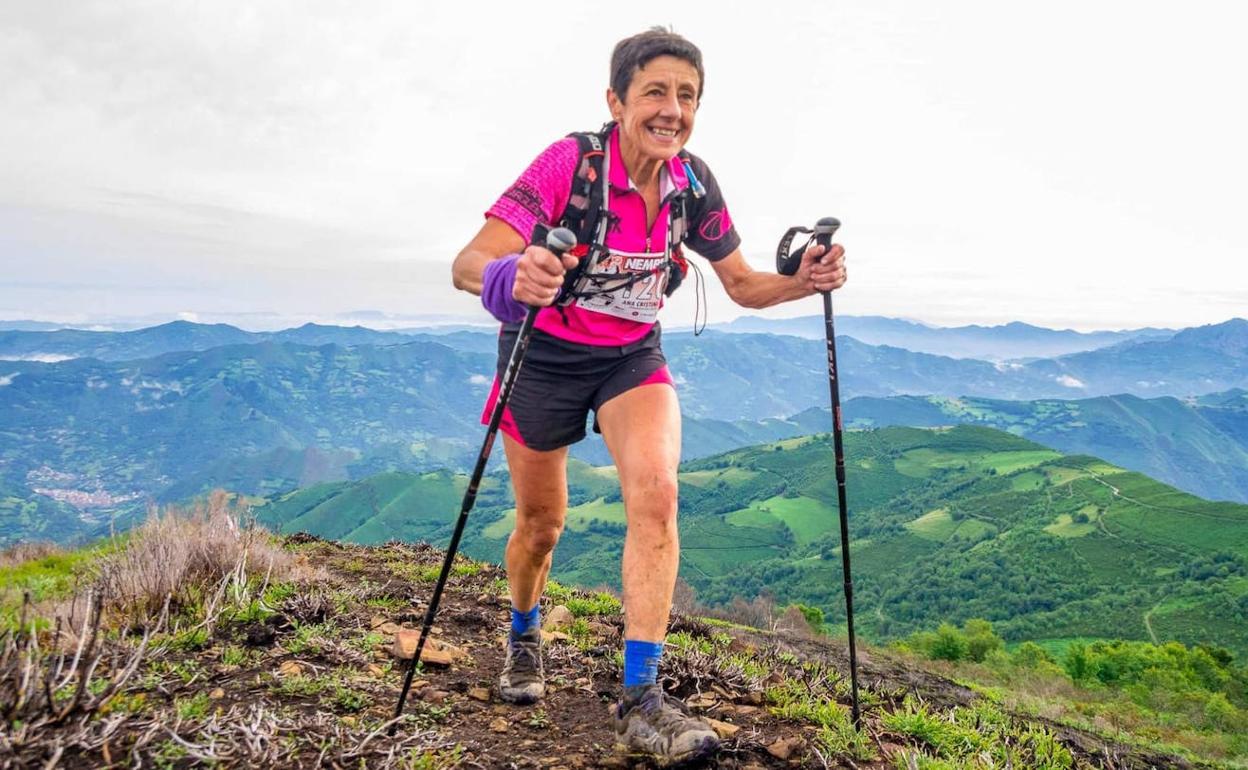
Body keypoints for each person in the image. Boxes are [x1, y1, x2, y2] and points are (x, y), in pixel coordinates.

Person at [451, 27, 847, 766]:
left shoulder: (692, 183)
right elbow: (469, 264)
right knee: (542, 527)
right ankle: (524, 630)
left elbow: (744, 285)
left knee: (658, 494)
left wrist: (807, 280)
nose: (673, 110)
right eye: (656, 92)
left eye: (687, 96)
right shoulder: (568, 163)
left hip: (631, 357)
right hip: (543, 356)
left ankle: (641, 699)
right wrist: (514, 279)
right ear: (617, 99)